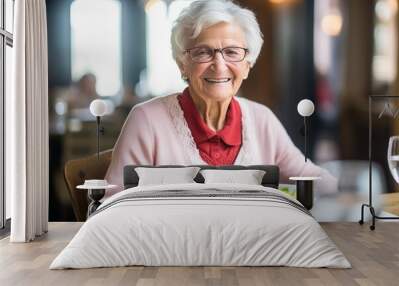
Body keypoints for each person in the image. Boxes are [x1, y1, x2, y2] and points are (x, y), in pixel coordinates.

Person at [105, 0, 337, 197]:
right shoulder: (146, 120)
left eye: (232, 52)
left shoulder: (262, 120)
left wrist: (350, 189)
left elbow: (313, 179)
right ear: (182, 65)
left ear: (247, 66)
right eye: (203, 52)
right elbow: (111, 205)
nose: (219, 65)